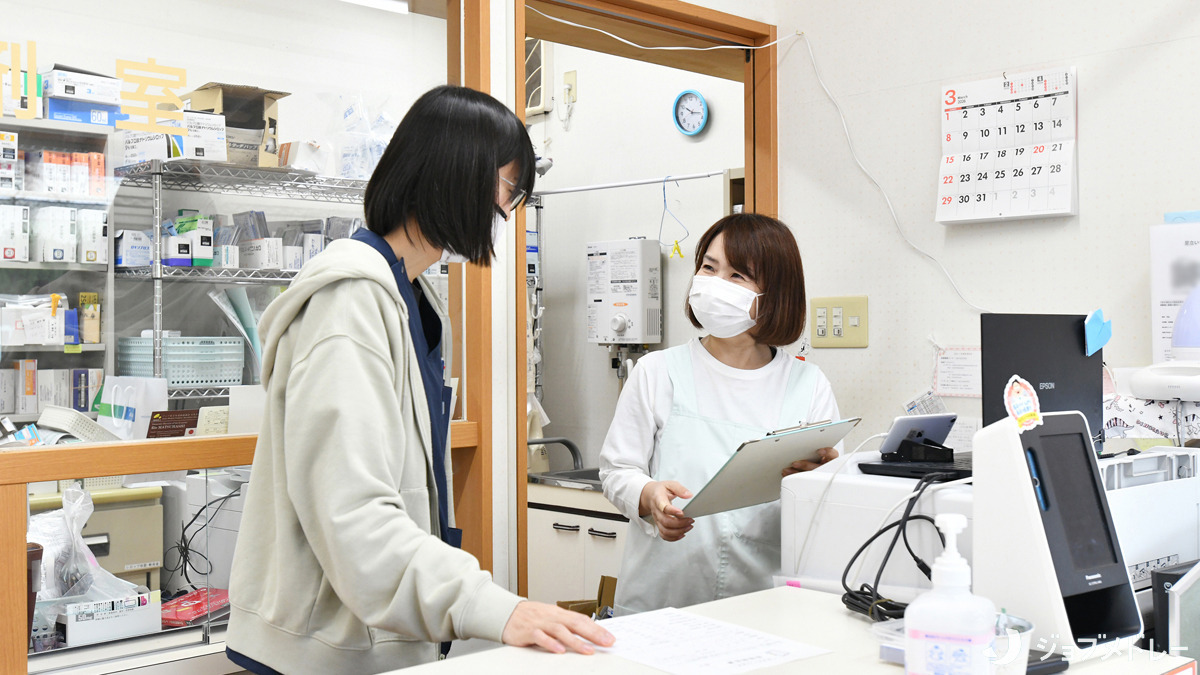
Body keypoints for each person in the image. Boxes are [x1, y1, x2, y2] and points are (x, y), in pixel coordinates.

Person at [225, 85, 612, 674]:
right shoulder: (350, 304)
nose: (507, 211)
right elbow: (352, 513)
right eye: (508, 189)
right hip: (321, 651)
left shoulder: (415, 296)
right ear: (458, 173)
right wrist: (490, 607)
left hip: (370, 636)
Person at [599, 213, 842, 616]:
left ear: (774, 294)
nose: (714, 284)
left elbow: (826, 509)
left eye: (736, 276)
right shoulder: (658, 372)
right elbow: (616, 470)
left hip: (765, 605)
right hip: (663, 602)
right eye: (709, 268)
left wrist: (823, 483)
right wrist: (649, 497)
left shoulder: (809, 386)